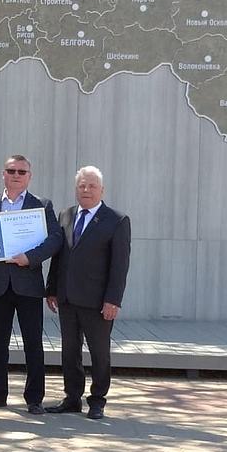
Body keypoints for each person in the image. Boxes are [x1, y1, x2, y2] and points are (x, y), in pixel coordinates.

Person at [0, 155, 64, 415]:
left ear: (29, 176)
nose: (16, 175)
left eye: (21, 171)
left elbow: (55, 240)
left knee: (33, 344)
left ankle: (34, 399)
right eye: (11, 170)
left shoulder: (41, 205)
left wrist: (30, 257)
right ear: (3, 174)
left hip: (28, 284)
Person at [46, 166, 131, 419]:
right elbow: (58, 257)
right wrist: (52, 289)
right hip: (67, 297)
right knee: (70, 351)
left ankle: (97, 400)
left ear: (102, 190)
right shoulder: (65, 215)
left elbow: (120, 265)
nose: (86, 190)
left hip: (98, 301)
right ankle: (72, 398)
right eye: (82, 185)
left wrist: (113, 300)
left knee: (99, 353)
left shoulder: (116, 220)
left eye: (92, 186)